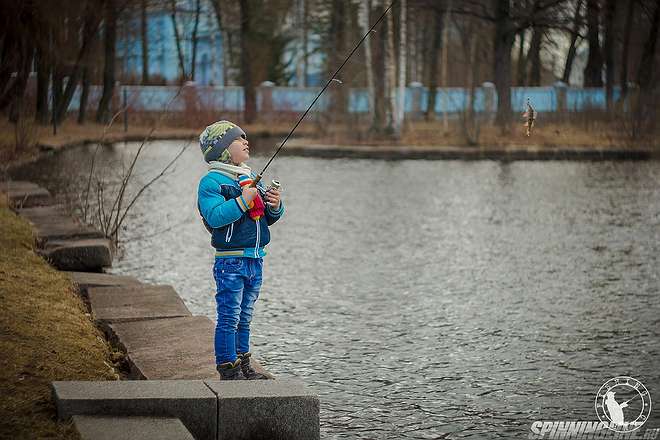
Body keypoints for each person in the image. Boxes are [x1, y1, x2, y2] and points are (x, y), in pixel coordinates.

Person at [197, 120, 284, 380]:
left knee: (245, 316)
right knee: (229, 317)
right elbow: (214, 217)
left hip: (255, 259)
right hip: (231, 261)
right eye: (239, 138)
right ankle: (228, 369)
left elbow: (265, 218)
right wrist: (243, 200)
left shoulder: (247, 177)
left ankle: (245, 365)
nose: (246, 141)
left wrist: (275, 205)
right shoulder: (212, 182)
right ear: (222, 148)